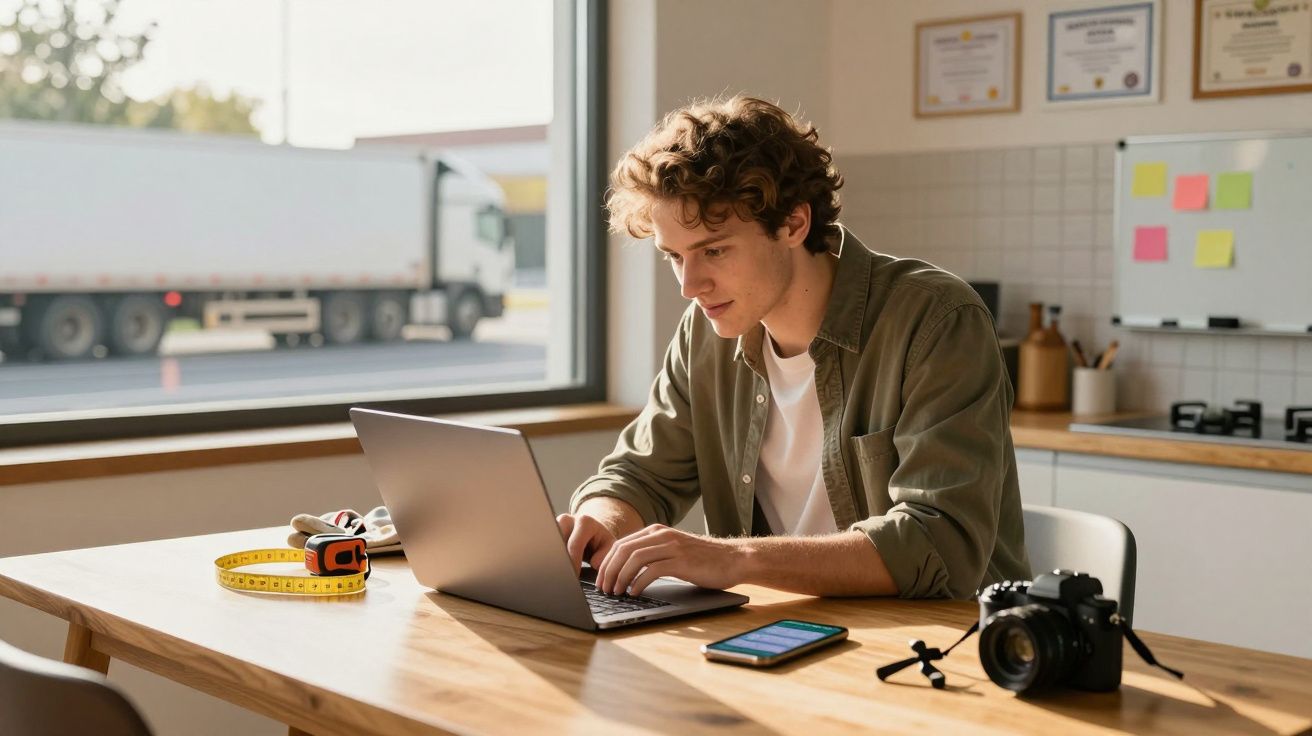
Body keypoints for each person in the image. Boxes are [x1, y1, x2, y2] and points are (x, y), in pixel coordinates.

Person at [558, 95, 1029, 601]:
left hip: (938, 648)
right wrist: (601, 519)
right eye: (674, 256)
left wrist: (730, 559)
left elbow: (938, 544)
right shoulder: (706, 331)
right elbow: (640, 474)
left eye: (713, 250)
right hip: (785, 633)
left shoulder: (937, 320)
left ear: (793, 224)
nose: (689, 286)